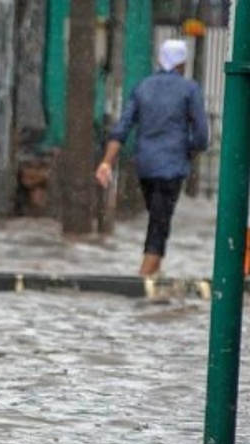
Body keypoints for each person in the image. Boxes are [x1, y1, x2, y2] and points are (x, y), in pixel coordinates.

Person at [95, 39, 209, 278]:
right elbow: (201, 135)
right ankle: (144, 278)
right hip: (172, 168)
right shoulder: (189, 90)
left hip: (145, 167)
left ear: (160, 60)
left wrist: (106, 162)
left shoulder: (142, 87)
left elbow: (122, 128)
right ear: (183, 63)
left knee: (156, 218)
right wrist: (187, 149)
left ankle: (152, 274)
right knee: (160, 223)